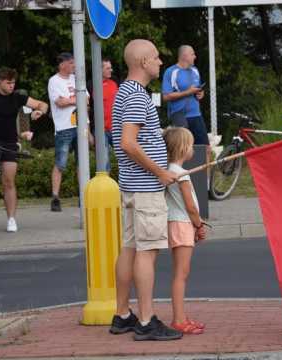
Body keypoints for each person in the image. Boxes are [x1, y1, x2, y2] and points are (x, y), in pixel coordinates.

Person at [109, 39, 182, 341]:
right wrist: (161, 172)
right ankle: (146, 320)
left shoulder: (123, 91)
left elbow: (132, 138)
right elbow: (128, 142)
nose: (160, 62)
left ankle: (123, 314)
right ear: (142, 62)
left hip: (130, 185)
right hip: (145, 187)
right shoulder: (138, 96)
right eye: (155, 57)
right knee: (147, 252)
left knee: (129, 247)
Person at [0, 67, 48, 232]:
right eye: (8, 83)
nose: (11, 86)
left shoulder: (17, 97)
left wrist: (39, 111)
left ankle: (11, 219)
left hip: (9, 143)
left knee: (9, 181)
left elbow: (42, 104)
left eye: (13, 83)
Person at [163, 127, 207, 335]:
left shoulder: (169, 170)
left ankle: (181, 315)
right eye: (190, 145)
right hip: (182, 224)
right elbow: (190, 206)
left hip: (178, 223)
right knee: (181, 274)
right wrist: (199, 224)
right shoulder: (181, 174)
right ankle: (178, 319)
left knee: (181, 273)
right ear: (182, 148)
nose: (192, 149)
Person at [161, 45, 211, 164]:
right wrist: (188, 92)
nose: (195, 56)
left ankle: (206, 181)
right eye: (193, 54)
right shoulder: (171, 72)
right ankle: (182, 179)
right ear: (185, 56)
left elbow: (196, 89)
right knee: (183, 150)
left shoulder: (195, 70)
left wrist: (200, 94)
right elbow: (166, 96)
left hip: (195, 114)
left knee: (206, 149)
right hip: (179, 114)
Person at [48, 52, 78, 212]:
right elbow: (59, 102)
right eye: (71, 63)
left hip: (80, 125)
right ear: (62, 65)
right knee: (61, 163)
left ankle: (83, 196)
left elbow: (86, 99)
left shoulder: (76, 79)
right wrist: (75, 100)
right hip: (63, 127)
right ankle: (55, 197)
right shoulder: (54, 81)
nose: (74, 66)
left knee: (82, 162)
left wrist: (70, 100)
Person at [88, 59, 118, 172]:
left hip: (116, 128)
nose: (111, 70)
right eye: (108, 68)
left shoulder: (114, 82)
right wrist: (89, 132)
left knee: (127, 158)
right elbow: (86, 109)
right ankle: (105, 188)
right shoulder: (91, 85)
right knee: (104, 163)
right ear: (99, 70)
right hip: (100, 130)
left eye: (110, 67)